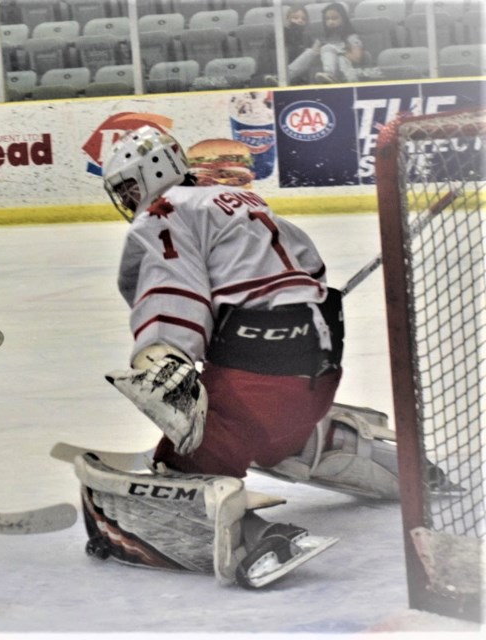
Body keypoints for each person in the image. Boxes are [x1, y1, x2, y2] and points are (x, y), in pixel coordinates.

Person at [82, 125, 349, 589]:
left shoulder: (166, 211)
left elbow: (171, 289)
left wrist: (163, 356)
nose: (128, 199)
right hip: (320, 373)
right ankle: (348, 449)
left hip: (261, 378)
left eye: (129, 186)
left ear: (156, 172)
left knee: (180, 466)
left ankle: (260, 538)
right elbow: (310, 267)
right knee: (276, 430)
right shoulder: (234, 199)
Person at [261, 5, 321, 85]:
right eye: (295, 18)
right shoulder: (277, 36)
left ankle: (280, 78)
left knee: (311, 52)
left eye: (303, 19)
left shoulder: (308, 39)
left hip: (302, 79)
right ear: (287, 19)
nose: (299, 21)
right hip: (277, 72)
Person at [315, 2, 366, 83]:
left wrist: (337, 51)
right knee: (326, 48)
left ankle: (331, 75)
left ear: (343, 19)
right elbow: (314, 55)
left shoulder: (352, 37)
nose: (331, 22)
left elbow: (357, 58)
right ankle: (329, 76)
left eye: (334, 18)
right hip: (325, 69)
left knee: (340, 58)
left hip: (349, 71)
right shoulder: (322, 39)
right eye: (327, 19)